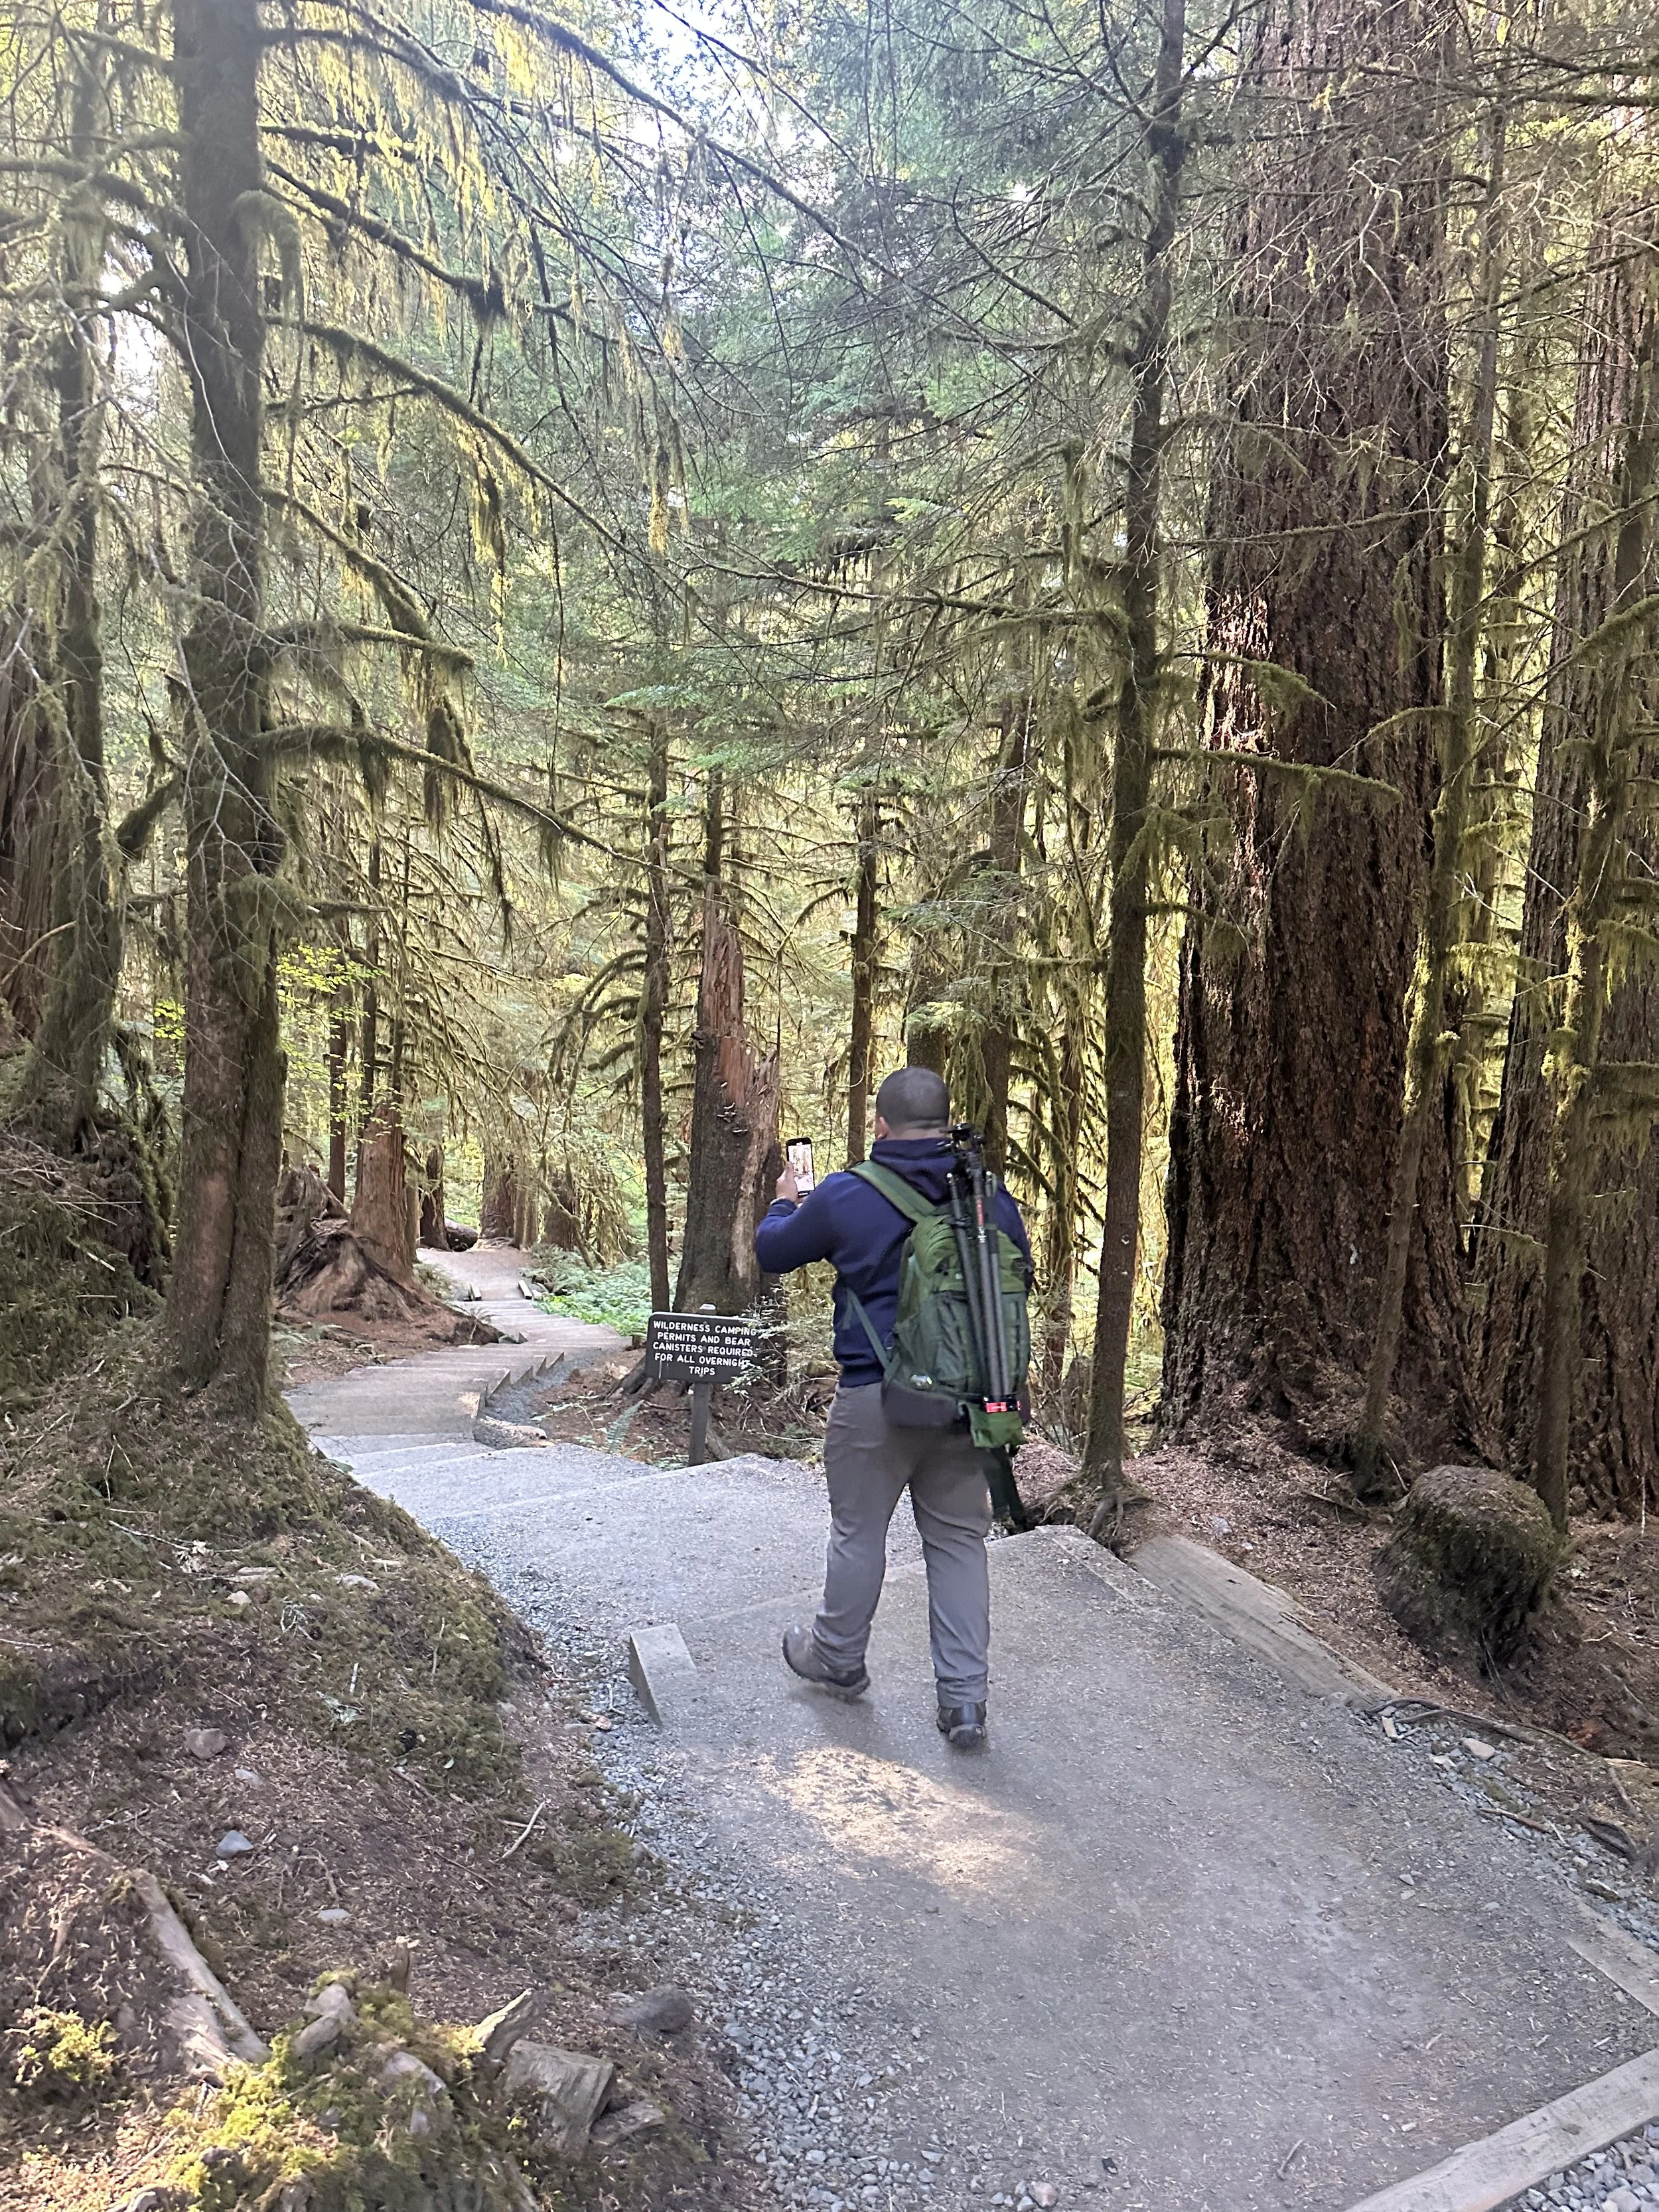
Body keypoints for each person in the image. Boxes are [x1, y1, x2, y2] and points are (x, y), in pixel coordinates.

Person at [754, 1067, 1032, 1750]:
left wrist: (786, 1201)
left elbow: (772, 1253)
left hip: (875, 1397)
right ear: (945, 1123)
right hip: (972, 1404)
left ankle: (838, 1659)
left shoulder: (849, 1193)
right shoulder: (986, 1199)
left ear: (881, 1125)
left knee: (859, 1533)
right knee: (959, 1545)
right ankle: (964, 1705)